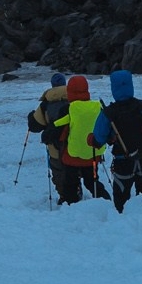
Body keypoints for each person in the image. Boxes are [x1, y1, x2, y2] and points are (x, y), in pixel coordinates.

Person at [92, 69, 142, 213]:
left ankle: (122, 220)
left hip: (122, 162)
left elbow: (98, 138)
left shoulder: (108, 113)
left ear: (113, 88)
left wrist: (98, 141)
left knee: (121, 196)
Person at [53, 74, 109, 204]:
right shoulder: (97, 107)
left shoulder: (69, 109)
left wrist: (49, 137)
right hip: (93, 155)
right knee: (92, 182)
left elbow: (60, 130)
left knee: (70, 185)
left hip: (72, 157)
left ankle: (72, 206)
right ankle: (106, 202)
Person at [27, 73, 74, 199]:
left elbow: (35, 126)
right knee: (73, 170)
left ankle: (64, 197)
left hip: (55, 147)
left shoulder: (46, 104)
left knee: (58, 172)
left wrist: (31, 117)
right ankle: (75, 193)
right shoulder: (74, 98)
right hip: (75, 144)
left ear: (52, 85)